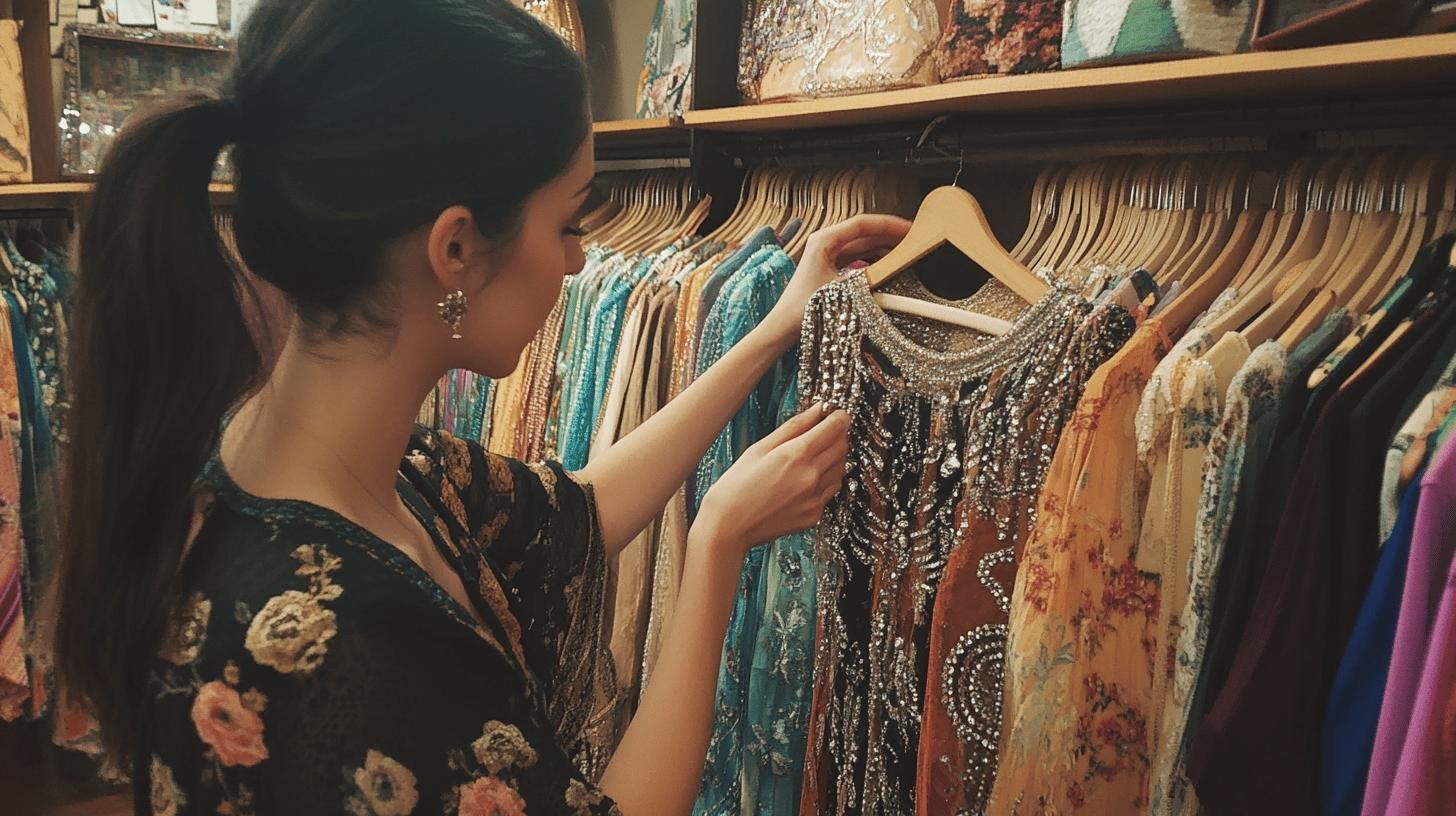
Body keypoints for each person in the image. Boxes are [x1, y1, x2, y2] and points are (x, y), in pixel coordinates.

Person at [51, 1, 911, 814]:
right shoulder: (356, 649)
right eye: (569, 223)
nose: (578, 263)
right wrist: (717, 542)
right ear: (456, 246)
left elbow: (580, 510)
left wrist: (766, 331)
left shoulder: (329, 466)